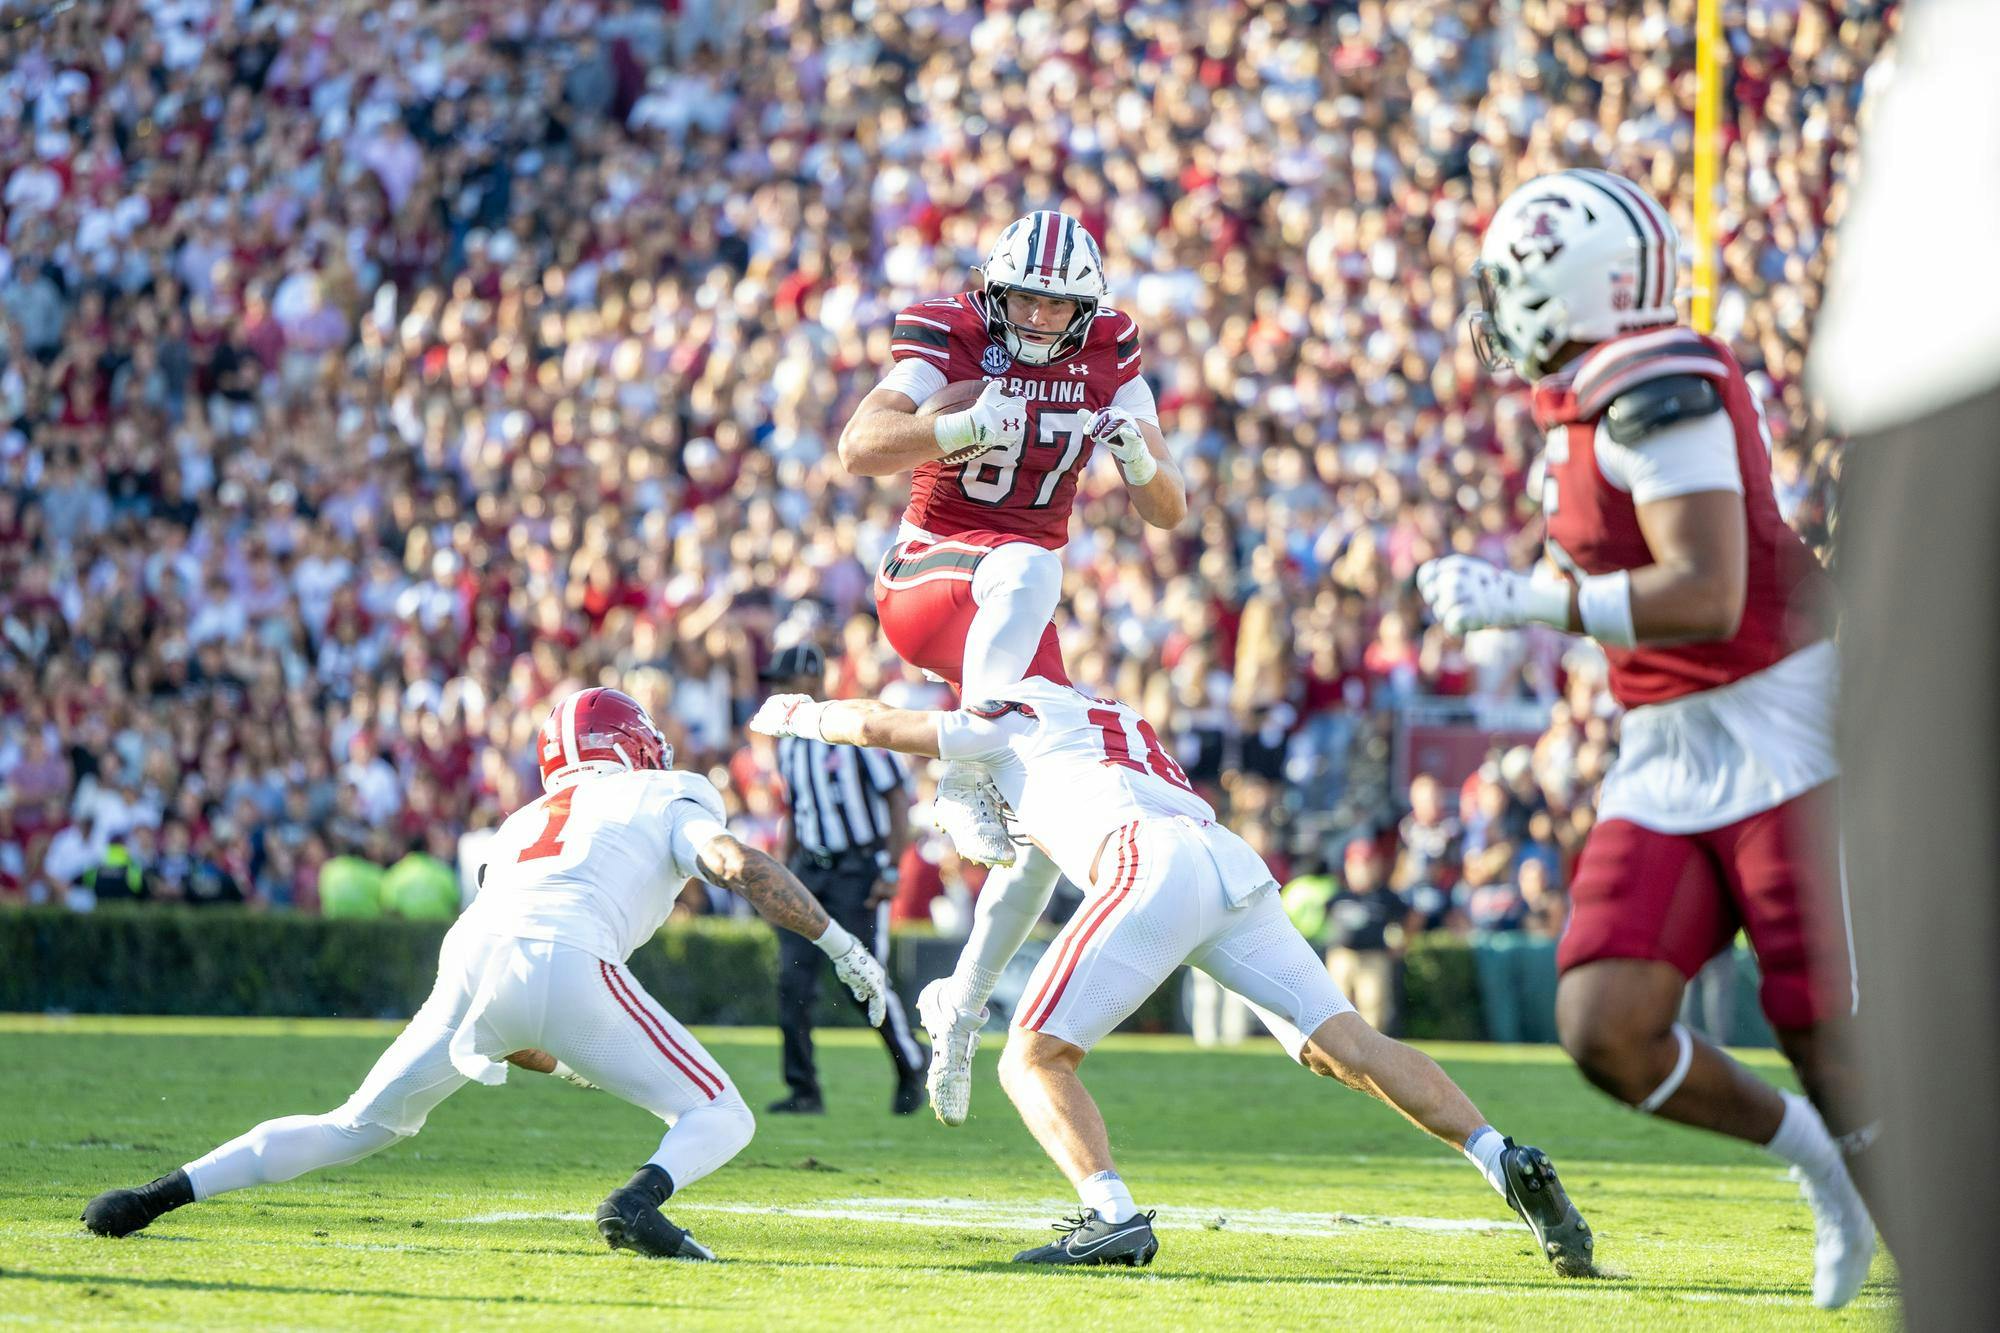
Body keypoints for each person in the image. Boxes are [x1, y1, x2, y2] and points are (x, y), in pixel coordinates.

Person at [1418, 167, 1873, 1308]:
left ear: (1571, 288)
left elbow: (1705, 594)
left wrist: (1529, 602)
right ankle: (1820, 1165)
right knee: (1603, 1022)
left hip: (1783, 721)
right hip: (1666, 738)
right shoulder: (1586, 392)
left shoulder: (1652, 379)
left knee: (1828, 1034)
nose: (1494, 305)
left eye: (1511, 281)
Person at [749, 678, 1593, 1275]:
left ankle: (1112, 1216)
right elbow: (1018, 886)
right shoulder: (1102, 719)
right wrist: (964, 999)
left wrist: (799, 712)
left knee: (1032, 1058)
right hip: (1223, 857)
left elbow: (882, 725)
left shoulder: (1008, 709)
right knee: (1347, 1046)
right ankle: (1503, 1156)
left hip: (1145, 863)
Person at [82, 688, 888, 1261]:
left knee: (352, 1124)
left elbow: (515, 1023)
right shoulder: (667, 791)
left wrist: (571, 1051)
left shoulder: (518, 824)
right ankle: (634, 1203)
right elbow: (734, 863)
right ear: (633, 746)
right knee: (722, 1111)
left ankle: (150, 1197)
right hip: (567, 952)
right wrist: (844, 945)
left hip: (475, 954)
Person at [837, 210, 1189, 1126]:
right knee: (1030, 564)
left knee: (1048, 813)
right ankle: (959, 768)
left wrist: (1140, 458)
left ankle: (961, 1001)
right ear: (994, 292)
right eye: (1022, 297)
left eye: (1055, 302)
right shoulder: (947, 329)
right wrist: (952, 431)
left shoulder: (1112, 347)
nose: (1035, 315)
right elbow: (857, 447)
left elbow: (1170, 510)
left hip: (1014, 613)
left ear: (1086, 308)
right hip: (930, 578)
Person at [759, 643, 926, 1115]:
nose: (777, 693)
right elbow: (796, 811)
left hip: (859, 869)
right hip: (811, 870)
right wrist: (781, 873)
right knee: (793, 981)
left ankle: (911, 1064)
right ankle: (803, 1089)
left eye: (784, 683)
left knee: (866, 980)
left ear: (811, 684)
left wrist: (891, 868)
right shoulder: (787, 744)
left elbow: (897, 801)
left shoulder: (848, 729)